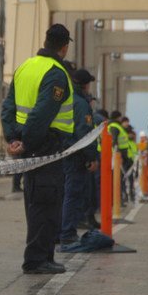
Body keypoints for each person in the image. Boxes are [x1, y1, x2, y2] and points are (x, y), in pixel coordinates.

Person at [1, 24, 74, 274]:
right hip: (45, 145)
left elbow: (8, 106)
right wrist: (27, 143)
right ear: (64, 47)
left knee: (35, 202)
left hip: (28, 143)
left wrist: (12, 138)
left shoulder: (25, 67)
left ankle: (40, 256)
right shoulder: (56, 73)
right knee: (46, 204)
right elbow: (41, 115)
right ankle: (37, 260)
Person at [59, 68, 100, 251]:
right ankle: (68, 234)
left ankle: (61, 232)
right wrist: (91, 157)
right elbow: (86, 133)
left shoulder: (64, 99)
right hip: (76, 156)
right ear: (85, 85)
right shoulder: (82, 104)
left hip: (63, 152)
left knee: (64, 195)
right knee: (73, 195)